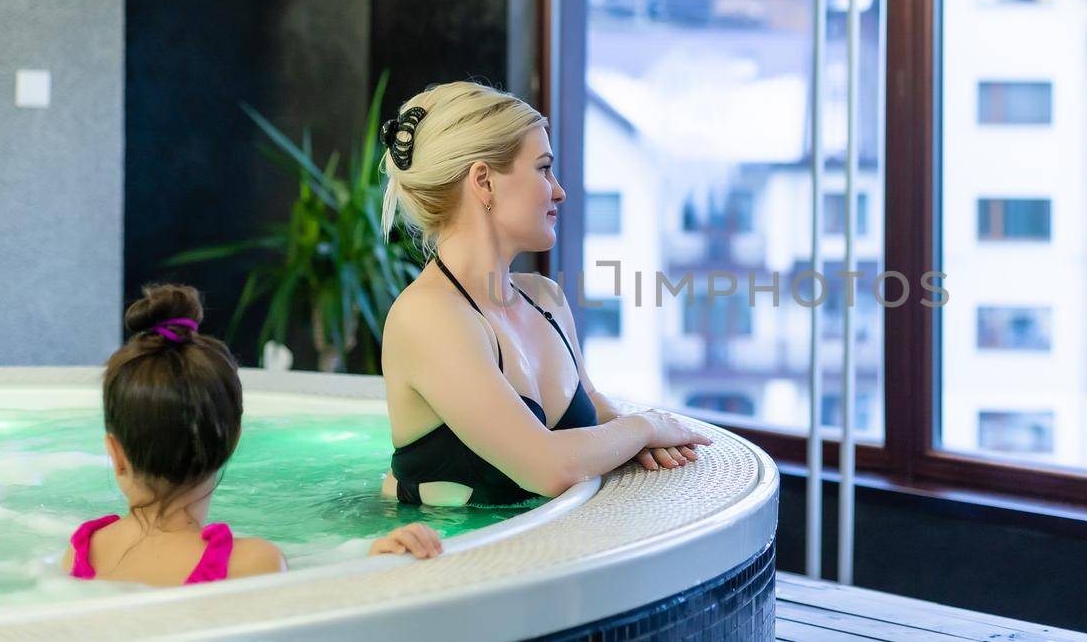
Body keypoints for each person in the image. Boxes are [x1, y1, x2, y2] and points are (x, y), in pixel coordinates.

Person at [376, 82, 712, 507]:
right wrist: (644, 428)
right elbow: (548, 467)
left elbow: (592, 404)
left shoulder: (545, 298)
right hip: (447, 562)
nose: (559, 190)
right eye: (542, 168)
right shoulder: (428, 317)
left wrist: (632, 433)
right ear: (484, 182)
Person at [63, 284, 442, 586]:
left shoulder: (82, 551)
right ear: (232, 439)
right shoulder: (248, 566)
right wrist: (372, 573)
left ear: (115, 453)